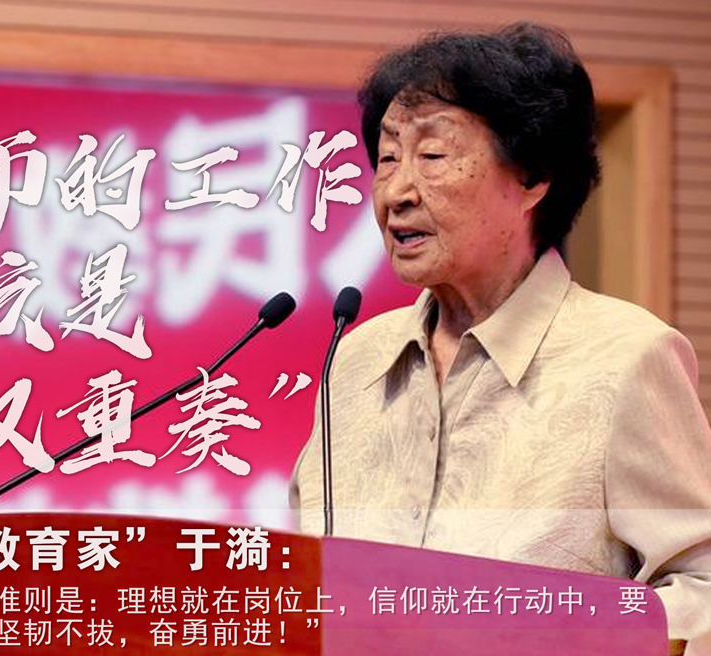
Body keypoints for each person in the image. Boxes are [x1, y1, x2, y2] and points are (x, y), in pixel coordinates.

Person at [290, 22, 711, 655]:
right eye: (388, 158)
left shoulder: (625, 357)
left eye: (433, 157)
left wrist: (557, 635)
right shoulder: (355, 359)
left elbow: (701, 591)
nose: (396, 192)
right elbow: (306, 576)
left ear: (532, 178)